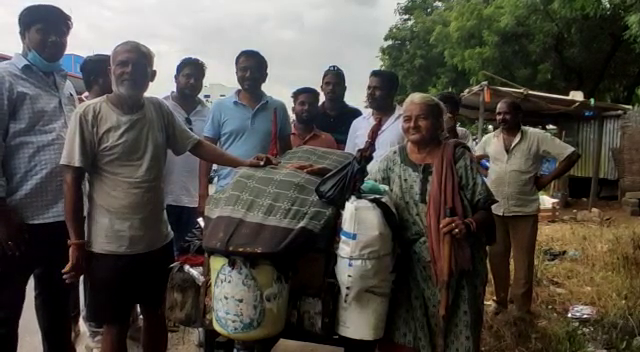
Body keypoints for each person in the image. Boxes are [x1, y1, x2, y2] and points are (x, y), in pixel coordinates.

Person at [59, 41, 275, 352]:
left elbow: (196, 145)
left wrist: (243, 162)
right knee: (115, 325)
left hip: (155, 242)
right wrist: (76, 243)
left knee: (156, 315)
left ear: (152, 74)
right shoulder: (89, 115)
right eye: (122, 64)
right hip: (109, 247)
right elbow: (71, 179)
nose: (129, 71)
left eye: (138, 66)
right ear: (111, 70)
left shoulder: (158, 111)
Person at [368, 93, 496, 352]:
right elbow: (370, 195)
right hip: (407, 268)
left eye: (422, 118)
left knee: (456, 335)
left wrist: (467, 224)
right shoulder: (391, 161)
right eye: (407, 119)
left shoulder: (457, 158)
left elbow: (485, 208)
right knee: (404, 335)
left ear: (439, 123)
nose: (412, 125)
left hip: (455, 266)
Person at [0, 5, 77, 351]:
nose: (54, 39)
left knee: (58, 312)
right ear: (23, 36)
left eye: (61, 32)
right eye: (42, 30)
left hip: (61, 220)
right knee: (4, 312)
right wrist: (2, 214)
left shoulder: (65, 84)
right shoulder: (6, 79)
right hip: (18, 221)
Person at [475, 99, 580, 316]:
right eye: (498, 114)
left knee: (523, 262)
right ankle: (500, 301)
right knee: (497, 258)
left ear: (518, 115)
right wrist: (488, 174)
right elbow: (472, 159)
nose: (501, 118)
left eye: (506, 114)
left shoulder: (536, 137)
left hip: (524, 210)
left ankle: (521, 309)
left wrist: (546, 180)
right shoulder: (489, 139)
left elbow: (571, 155)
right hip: (495, 209)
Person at [199, 50, 292, 206]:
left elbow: (287, 154)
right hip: (227, 192)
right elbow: (206, 152)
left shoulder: (278, 108)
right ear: (236, 72)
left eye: (255, 70)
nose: (248, 74)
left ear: (264, 76)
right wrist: (202, 193)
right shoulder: (220, 107)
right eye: (243, 69)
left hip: (265, 195)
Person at [71, 53, 113, 345]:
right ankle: (95, 328)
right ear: (100, 78)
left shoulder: (112, 109)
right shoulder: (82, 111)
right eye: (114, 71)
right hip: (85, 205)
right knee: (90, 266)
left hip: (104, 207)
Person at [163, 57, 210, 257]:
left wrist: (204, 196)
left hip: (195, 202)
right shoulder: (160, 107)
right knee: (164, 258)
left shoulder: (209, 114)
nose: (192, 82)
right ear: (176, 78)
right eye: (187, 76)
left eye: (197, 78)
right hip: (163, 199)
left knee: (192, 259)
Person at [345, 70, 404, 172]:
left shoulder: (405, 122)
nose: (370, 93)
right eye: (369, 88)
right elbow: (347, 160)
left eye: (377, 89)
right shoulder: (358, 124)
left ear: (392, 91)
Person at [315, 65, 362, 150]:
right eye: (327, 84)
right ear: (322, 88)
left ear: (344, 88)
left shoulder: (355, 116)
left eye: (337, 84)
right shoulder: (313, 115)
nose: (331, 88)